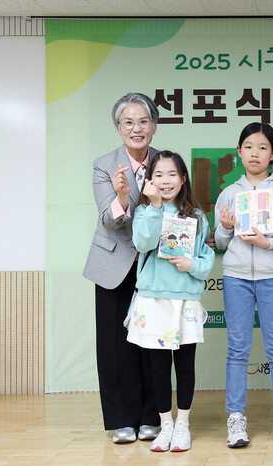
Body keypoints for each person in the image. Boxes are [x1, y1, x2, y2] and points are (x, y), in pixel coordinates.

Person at [214, 122, 273, 448]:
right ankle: (235, 418)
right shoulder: (230, 193)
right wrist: (226, 227)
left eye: (262, 148)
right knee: (237, 349)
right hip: (237, 277)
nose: (254, 153)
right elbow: (221, 242)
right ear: (238, 152)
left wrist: (272, 244)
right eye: (248, 147)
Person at [83, 92, 161, 443]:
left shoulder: (166, 161)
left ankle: (152, 416)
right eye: (128, 122)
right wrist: (122, 196)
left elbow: (178, 209)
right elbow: (109, 220)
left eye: (143, 121)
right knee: (115, 346)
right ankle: (121, 420)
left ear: (154, 126)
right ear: (119, 129)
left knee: (152, 342)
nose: (136, 128)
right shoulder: (104, 164)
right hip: (113, 262)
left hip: (154, 263)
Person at [124, 150, 215, 452]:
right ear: (150, 180)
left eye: (172, 174)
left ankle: (183, 425)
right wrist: (154, 206)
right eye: (158, 175)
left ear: (183, 178)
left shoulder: (196, 216)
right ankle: (166, 425)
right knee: (159, 369)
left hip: (185, 301)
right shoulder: (144, 211)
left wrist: (192, 265)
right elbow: (143, 243)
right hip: (152, 300)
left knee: (185, 367)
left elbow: (205, 258)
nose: (165, 181)